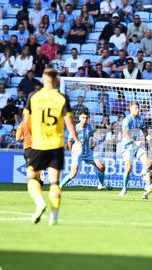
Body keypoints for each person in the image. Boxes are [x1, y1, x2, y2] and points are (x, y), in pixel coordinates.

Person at [22, 68, 81, 226]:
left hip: (38, 143)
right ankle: (54, 216)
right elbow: (69, 122)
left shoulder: (33, 97)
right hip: (56, 145)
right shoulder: (62, 98)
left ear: (43, 79)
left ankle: (40, 202)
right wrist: (76, 140)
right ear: (56, 81)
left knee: (31, 177)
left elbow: (26, 121)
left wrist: (31, 136)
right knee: (54, 182)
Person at [60, 110, 110, 190]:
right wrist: (72, 151)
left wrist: (97, 137)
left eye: (86, 118)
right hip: (77, 153)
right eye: (83, 117)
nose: (85, 119)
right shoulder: (75, 128)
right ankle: (59, 187)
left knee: (102, 167)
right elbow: (69, 141)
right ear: (80, 118)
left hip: (88, 152)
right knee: (73, 174)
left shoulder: (89, 127)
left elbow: (91, 136)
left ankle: (101, 184)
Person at [119, 101, 152, 196]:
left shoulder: (140, 118)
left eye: (138, 108)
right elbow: (125, 134)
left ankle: (146, 182)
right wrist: (135, 141)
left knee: (148, 163)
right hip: (128, 146)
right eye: (135, 108)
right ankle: (124, 188)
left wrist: (147, 136)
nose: (137, 110)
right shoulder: (127, 120)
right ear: (130, 109)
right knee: (128, 168)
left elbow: (144, 128)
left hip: (138, 145)